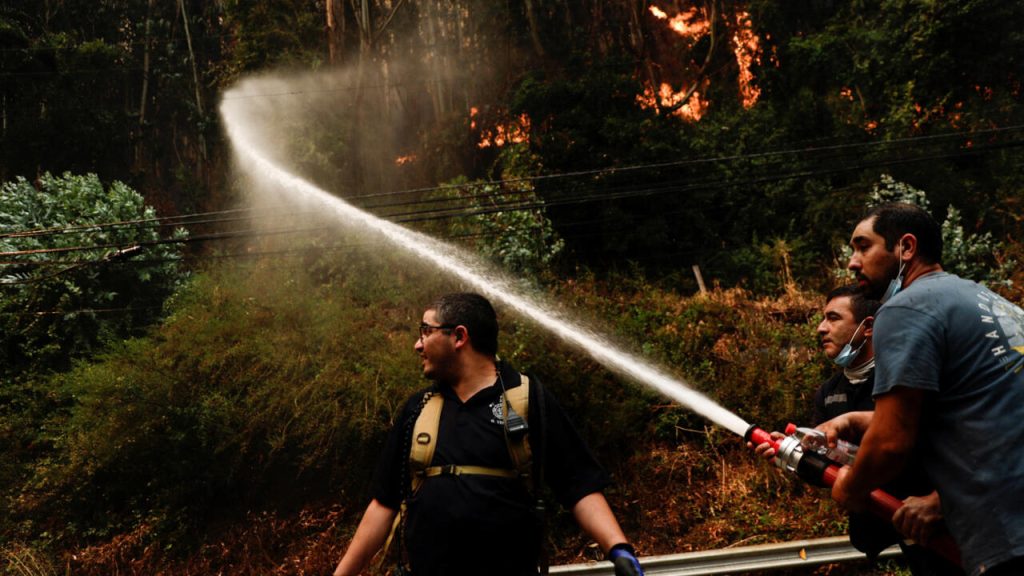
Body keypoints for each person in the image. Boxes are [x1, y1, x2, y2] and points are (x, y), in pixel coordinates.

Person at [333, 292, 644, 576]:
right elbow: (383, 505)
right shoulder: (418, 410)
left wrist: (619, 549)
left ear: (459, 336)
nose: (418, 344)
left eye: (425, 331)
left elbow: (579, 486)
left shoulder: (527, 399)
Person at [827, 202, 1024, 576]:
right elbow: (987, 408)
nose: (852, 263)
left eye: (863, 246)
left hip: (1008, 535)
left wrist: (852, 486)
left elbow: (890, 443)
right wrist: (857, 419)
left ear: (906, 248)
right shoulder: (990, 302)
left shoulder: (906, 309)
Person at [752, 285, 961, 575]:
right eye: (822, 319)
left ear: (867, 328)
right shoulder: (828, 392)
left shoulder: (903, 375)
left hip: (941, 518)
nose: (821, 329)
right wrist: (790, 455)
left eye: (833, 318)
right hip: (888, 527)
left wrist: (939, 500)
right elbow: (825, 466)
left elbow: (940, 435)